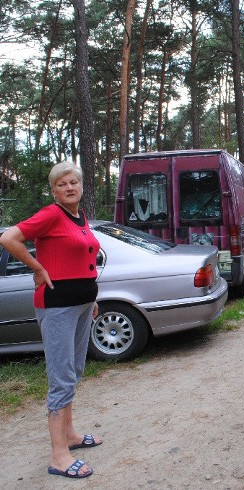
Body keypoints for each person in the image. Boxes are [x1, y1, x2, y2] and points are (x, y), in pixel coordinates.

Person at [0, 161, 102, 477]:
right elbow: (8, 238)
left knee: (75, 369)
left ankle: (70, 435)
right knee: (61, 376)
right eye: (62, 184)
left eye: (73, 182)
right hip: (57, 307)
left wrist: (92, 297)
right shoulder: (51, 215)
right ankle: (59, 456)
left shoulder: (79, 217)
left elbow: (82, 260)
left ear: (81, 186)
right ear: (54, 190)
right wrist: (38, 267)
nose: (69, 188)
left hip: (83, 304)